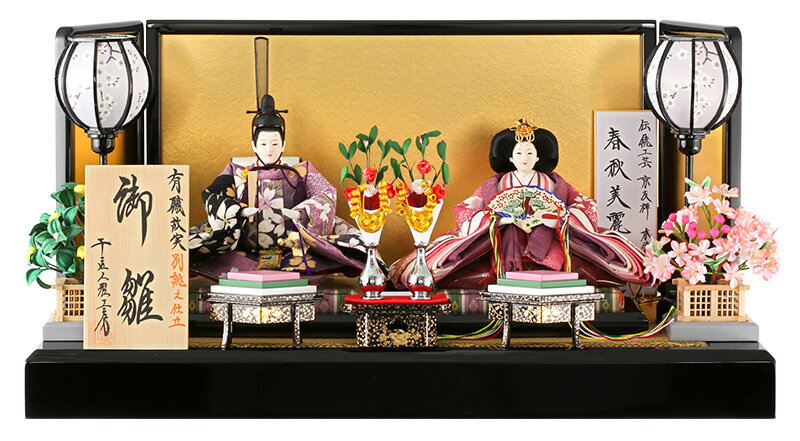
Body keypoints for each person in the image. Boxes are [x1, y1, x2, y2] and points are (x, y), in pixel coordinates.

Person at [389, 119, 651, 289]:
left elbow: (585, 207)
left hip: (549, 241)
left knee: (597, 257)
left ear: (538, 157)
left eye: (529, 153)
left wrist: (556, 219)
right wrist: (498, 219)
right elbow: (466, 210)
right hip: (504, 243)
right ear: (510, 158)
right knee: (452, 259)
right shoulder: (495, 186)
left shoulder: (556, 184)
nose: (524, 158)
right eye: (519, 153)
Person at [188, 94, 366, 278]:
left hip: (293, 247)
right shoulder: (237, 171)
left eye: (274, 143)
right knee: (191, 245)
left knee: (359, 244)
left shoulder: (301, 171)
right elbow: (212, 195)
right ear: (254, 145)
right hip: (244, 247)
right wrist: (239, 211)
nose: (269, 150)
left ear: (283, 145)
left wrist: (301, 213)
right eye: (263, 143)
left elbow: (326, 194)